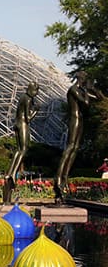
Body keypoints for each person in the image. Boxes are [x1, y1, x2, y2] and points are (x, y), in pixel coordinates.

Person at [54, 71, 104, 203]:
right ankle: (59, 178)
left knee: (75, 148)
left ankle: (65, 176)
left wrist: (93, 89)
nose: (85, 81)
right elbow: (86, 103)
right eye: (84, 79)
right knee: (70, 147)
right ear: (80, 78)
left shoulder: (81, 90)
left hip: (80, 120)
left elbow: (100, 99)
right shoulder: (73, 90)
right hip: (74, 119)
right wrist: (87, 92)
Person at [3, 81, 39, 203]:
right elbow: (28, 118)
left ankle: (10, 172)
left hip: (17, 124)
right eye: (36, 90)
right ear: (31, 89)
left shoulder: (22, 97)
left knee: (19, 150)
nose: (37, 93)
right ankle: (13, 173)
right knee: (24, 149)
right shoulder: (28, 99)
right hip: (23, 124)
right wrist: (36, 111)